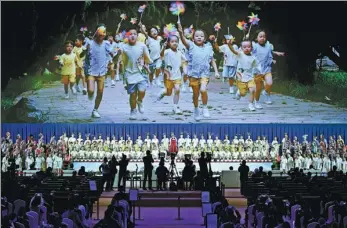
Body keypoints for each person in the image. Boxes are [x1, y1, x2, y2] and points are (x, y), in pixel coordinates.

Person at [177, 22, 220, 121]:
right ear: (193, 38)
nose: (199, 37)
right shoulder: (191, 46)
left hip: (204, 73)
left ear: (205, 38)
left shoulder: (208, 47)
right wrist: (180, 33)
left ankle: (205, 107)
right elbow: (183, 40)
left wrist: (216, 71)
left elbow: (212, 60)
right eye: (197, 36)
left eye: (201, 36)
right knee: (195, 94)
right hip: (193, 74)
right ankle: (196, 109)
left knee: (203, 90)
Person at [84, 24, 119, 118]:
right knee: (91, 91)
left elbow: (113, 55)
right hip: (91, 71)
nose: (102, 36)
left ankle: (95, 110)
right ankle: (90, 93)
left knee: (100, 91)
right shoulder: (90, 43)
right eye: (100, 34)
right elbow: (84, 57)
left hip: (102, 72)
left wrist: (117, 53)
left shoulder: (106, 44)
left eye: (103, 34)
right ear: (96, 33)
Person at [120, 26, 153, 120]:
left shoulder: (142, 46)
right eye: (130, 34)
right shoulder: (124, 47)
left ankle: (140, 101)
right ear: (127, 36)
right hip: (129, 73)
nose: (133, 36)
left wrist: (147, 66)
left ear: (137, 36)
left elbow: (147, 57)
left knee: (142, 91)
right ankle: (133, 110)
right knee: (133, 94)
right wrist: (118, 53)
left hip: (141, 72)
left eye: (135, 34)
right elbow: (116, 59)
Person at [227, 39, 261, 111]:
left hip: (250, 77)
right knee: (243, 93)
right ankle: (239, 92)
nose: (247, 48)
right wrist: (229, 45)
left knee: (252, 90)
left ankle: (251, 104)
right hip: (241, 77)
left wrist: (260, 72)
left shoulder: (253, 58)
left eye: (248, 47)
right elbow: (233, 51)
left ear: (251, 48)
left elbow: (257, 66)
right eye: (244, 47)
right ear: (241, 48)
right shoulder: (240, 54)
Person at [157, 35, 187, 114]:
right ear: (169, 43)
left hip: (177, 76)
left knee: (177, 89)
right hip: (168, 76)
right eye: (172, 41)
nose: (174, 43)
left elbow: (185, 61)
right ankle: (163, 92)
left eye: (176, 42)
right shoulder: (167, 52)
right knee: (169, 93)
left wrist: (185, 69)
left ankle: (175, 106)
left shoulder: (180, 53)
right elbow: (161, 55)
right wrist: (163, 47)